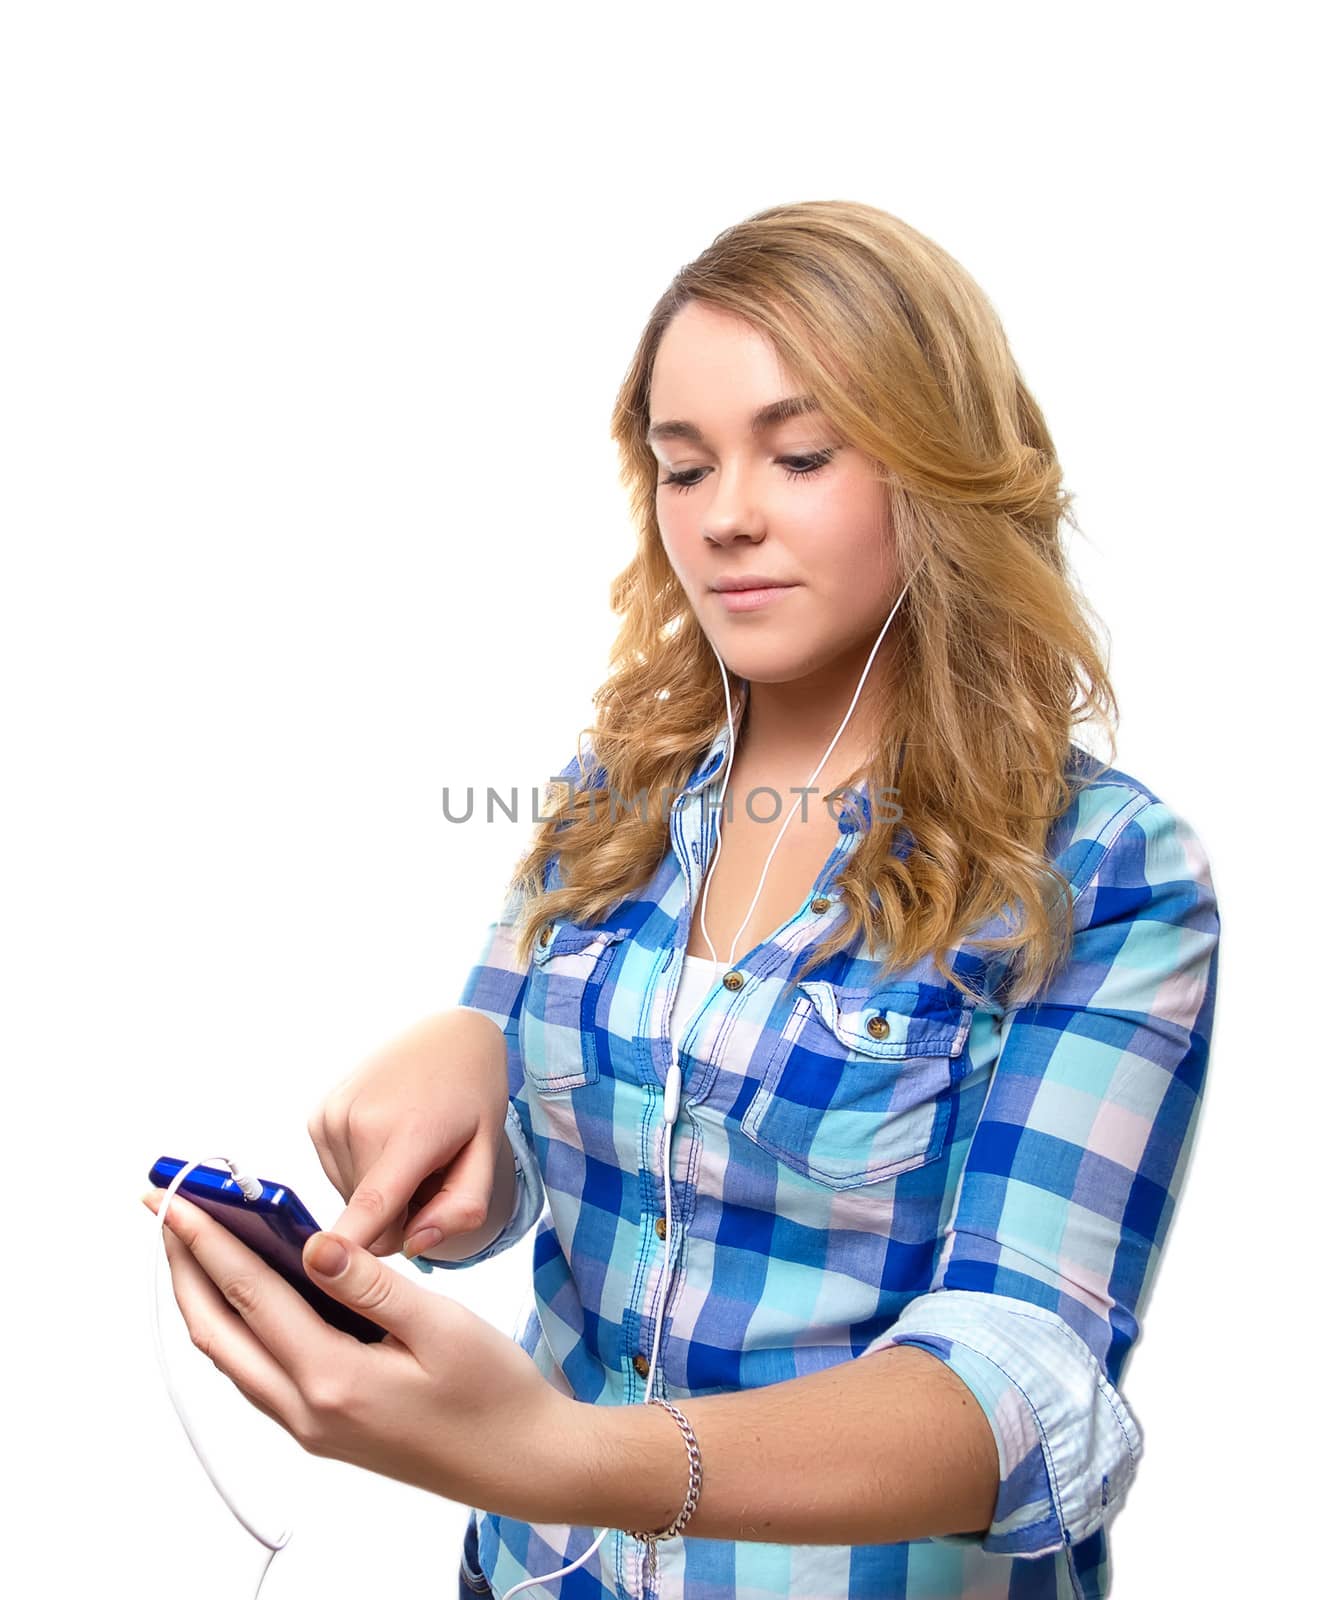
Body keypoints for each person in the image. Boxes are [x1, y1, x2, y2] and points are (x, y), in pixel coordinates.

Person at [306, 201, 1221, 1600]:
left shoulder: (1099, 870)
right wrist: (456, 1079)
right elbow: (504, 1188)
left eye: (798, 455)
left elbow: (1014, 1392)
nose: (725, 516)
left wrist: (556, 1454)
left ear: (941, 468)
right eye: (682, 469)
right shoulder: (615, 797)